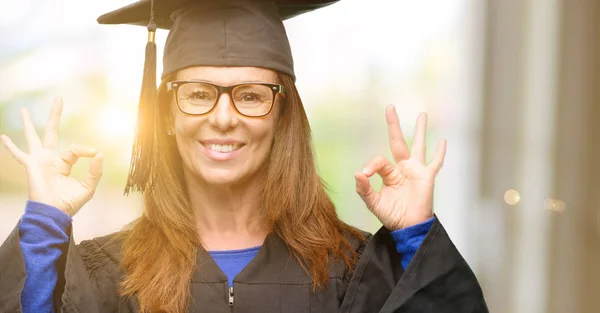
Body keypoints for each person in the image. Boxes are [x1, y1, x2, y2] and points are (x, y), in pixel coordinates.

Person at [0, 0, 488, 312]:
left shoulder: (352, 273)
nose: (224, 117)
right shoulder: (111, 273)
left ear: (282, 114)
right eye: (198, 93)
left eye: (251, 95)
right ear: (167, 112)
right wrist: (44, 222)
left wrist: (413, 237)